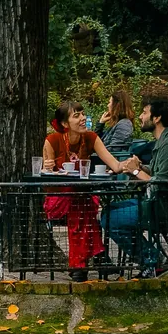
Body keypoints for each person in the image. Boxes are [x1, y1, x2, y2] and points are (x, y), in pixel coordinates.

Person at [106, 94, 168, 274]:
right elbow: (158, 171)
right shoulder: (165, 139)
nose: (140, 116)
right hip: (161, 203)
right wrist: (136, 167)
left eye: (144, 112)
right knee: (109, 212)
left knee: (112, 219)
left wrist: (135, 172)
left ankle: (154, 261)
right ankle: (152, 260)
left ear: (156, 118)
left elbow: (161, 182)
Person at [41, 102, 133, 278]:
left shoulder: (91, 137)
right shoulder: (52, 140)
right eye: (77, 116)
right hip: (57, 197)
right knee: (82, 204)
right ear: (65, 124)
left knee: (82, 205)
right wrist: (47, 166)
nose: (83, 118)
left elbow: (114, 164)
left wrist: (130, 166)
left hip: (81, 196)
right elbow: (46, 180)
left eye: (83, 114)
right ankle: (98, 255)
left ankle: (79, 266)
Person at [98, 88, 135, 159]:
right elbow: (96, 140)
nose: (107, 105)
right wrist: (101, 123)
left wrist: (96, 151)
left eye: (109, 102)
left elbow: (114, 149)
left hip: (108, 163)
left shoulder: (124, 125)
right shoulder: (117, 123)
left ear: (116, 105)